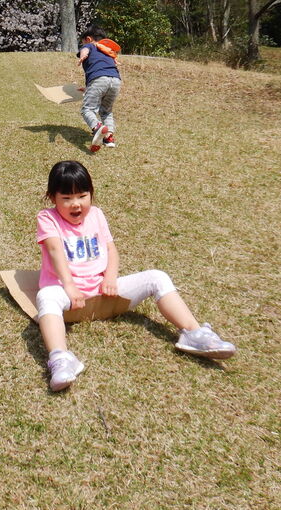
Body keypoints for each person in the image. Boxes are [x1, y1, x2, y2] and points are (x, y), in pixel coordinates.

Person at [35, 160, 236, 391]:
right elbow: (54, 249)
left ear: (91, 193)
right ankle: (61, 359)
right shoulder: (47, 218)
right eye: (66, 198)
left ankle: (193, 333)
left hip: (101, 289)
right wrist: (69, 286)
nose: (76, 204)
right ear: (52, 198)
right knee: (46, 296)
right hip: (67, 293)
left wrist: (110, 278)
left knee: (157, 277)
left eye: (82, 196)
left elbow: (110, 249)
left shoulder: (97, 215)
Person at [76, 26, 121, 153]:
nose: (83, 45)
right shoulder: (107, 51)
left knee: (87, 109)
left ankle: (98, 127)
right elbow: (105, 75)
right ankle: (109, 138)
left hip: (99, 80)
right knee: (106, 111)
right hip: (115, 81)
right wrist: (87, 87)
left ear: (89, 39)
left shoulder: (91, 45)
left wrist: (83, 56)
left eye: (83, 42)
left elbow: (85, 50)